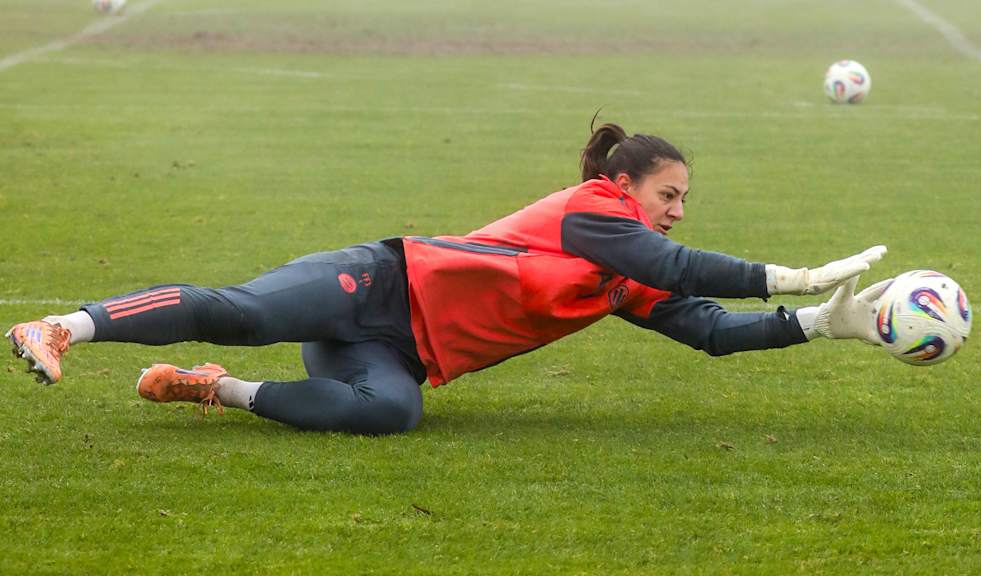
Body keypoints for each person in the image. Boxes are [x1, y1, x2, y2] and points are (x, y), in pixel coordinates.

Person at [6, 122, 890, 435]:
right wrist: (798, 274)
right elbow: (673, 264)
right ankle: (63, 328)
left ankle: (218, 392)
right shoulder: (591, 208)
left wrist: (818, 324)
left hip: (400, 352)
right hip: (380, 284)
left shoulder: (625, 275)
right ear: (625, 185)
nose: (678, 210)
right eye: (669, 194)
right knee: (237, 311)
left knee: (392, 411)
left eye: (684, 199)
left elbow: (704, 325)